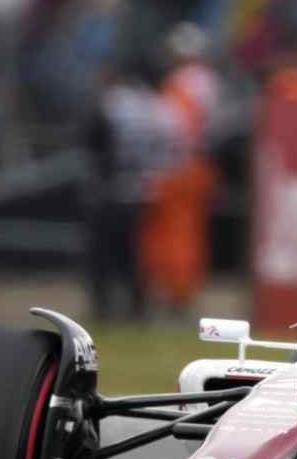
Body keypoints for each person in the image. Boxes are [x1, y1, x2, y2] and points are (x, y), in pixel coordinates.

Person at [84, 65, 177, 320]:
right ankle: (137, 308)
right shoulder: (162, 108)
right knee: (137, 256)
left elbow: (94, 140)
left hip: (112, 187)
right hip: (145, 190)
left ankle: (103, 308)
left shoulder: (114, 103)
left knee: (103, 255)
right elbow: (172, 149)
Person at [141, 23, 220, 315]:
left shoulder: (182, 83)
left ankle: (177, 293)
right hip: (195, 163)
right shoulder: (207, 81)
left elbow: (170, 126)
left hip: (178, 165)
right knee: (186, 233)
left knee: (175, 234)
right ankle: (180, 291)